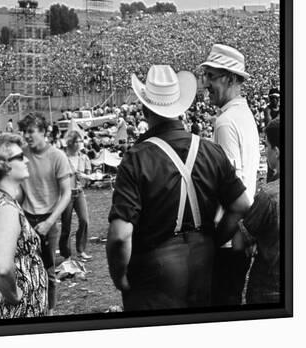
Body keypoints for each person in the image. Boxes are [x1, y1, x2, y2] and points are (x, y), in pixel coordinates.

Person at [106, 65, 251, 311]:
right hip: (202, 266)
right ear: (179, 107)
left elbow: (120, 236)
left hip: (153, 275)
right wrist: (215, 239)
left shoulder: (136, 158)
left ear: (144, 108)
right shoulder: (210, 151)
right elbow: (242, 205)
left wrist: (119, 276)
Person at [199, 44, 260, 306]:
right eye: (206, 77)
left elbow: (232, 190)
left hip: (227, 238)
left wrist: (214, 241)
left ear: (231, 78)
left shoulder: (225, 122)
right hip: (240, 234)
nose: (206, 84)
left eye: (212, 77)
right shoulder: (243, 115)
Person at [0, 134, 47, 319]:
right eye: (20, 157)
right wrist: (15, 297)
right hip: (16, 312)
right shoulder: (5, 208)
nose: (27, 160)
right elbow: (3, 268)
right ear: (3, 165)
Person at [217, 118, 281, 304]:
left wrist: (253, 238)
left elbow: (238, 242)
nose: (264, 151)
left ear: (276, 152)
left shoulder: (268, 196)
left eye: (267, 146)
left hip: (268, 288)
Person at [18, 112, 72, 315]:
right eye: (24, 132)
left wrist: (50, 222)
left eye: (31, 131)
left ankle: (49, 314)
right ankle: (29, 309)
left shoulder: (57, 156)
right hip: (25, 219)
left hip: (48, 221)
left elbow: (66, 194)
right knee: (24, 268)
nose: (27, 136)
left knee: (48, 272)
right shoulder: (21, 156)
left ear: (43, 132)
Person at [58, 131, 92, 261]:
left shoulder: (84, 157)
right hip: (66, 194)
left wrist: (85, 177)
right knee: (66, 225)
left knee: (84, 220)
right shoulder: (62, 157)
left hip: (79, 192)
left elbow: (88, 177)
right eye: (77, 141)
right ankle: (66, 254)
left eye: (81, 141)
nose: (80, 144)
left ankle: (81, 249)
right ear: (71, 143)